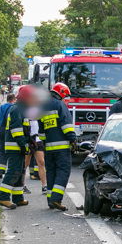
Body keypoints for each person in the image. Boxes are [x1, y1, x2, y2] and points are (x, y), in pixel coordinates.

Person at [0, 85, 37, 209]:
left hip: (18, 146)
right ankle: (3, 197)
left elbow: (25, 129)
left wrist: (30, 141)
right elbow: (16, 130)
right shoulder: (17, 109)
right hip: (15, 147)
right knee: (13, 171)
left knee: (20, 172)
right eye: (32, 97)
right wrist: (24, 144)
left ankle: (18, 198)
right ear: (26, 97)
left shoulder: (23, 109)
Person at [40, 82, 77, 211]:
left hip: (48, 147)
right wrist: (73, 139)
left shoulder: (43, 106)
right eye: (65, 96)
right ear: (61, 93)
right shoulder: (60, 105)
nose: (66, 99)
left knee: (51, 172)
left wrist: (45, 142)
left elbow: (41, 130)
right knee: (63, 171)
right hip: (61, 147)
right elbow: (66, 125)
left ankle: (51, 200)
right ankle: (56, 198)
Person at [24, 104, 47, 192]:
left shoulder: (40, 107)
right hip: (28, 140)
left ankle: (44, 186)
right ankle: (22, 185)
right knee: (25, 163)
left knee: (41, 162)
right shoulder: (24, 108)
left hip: (38, 139)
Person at [0, 93, 16, 178]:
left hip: (1, 129)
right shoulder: (13, 107)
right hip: (9, 130)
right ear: (13, 99)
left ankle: (0, 170)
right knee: (11, 149)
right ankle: (11, 170)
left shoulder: (0, 107)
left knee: (1, 149)